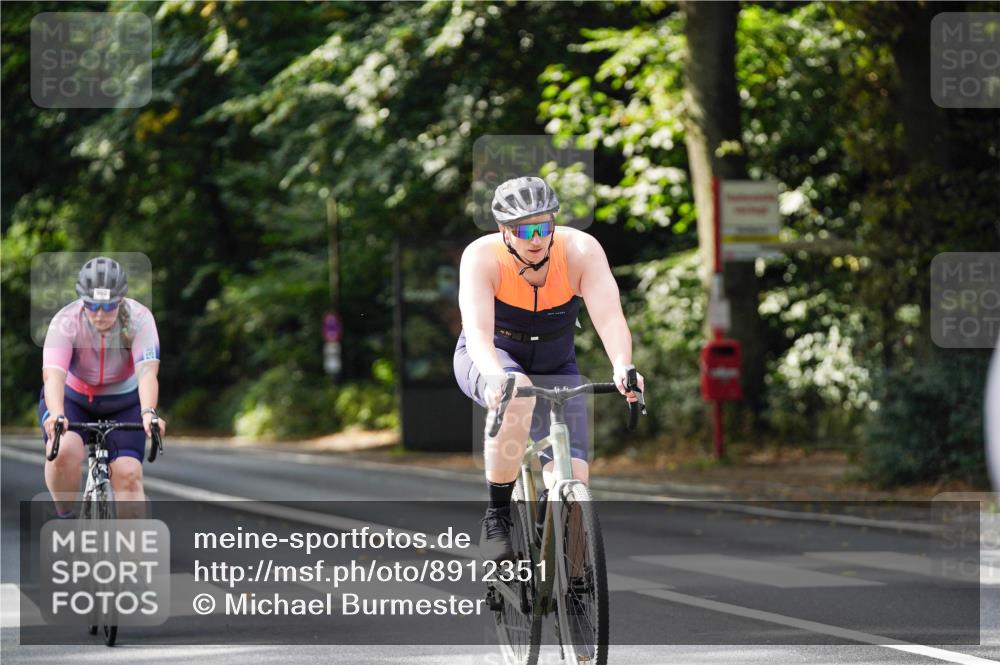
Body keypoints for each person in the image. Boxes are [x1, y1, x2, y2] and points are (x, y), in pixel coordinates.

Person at [453, 176, 644, 564]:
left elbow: (609, 318)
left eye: (543, 226)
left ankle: (575, 586)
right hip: (493, 355)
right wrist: (495, 376)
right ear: (504, 231)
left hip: (556, 361)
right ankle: (498, 516)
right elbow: (477, 335)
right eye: (524, 230)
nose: (536, 239)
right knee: (517, 396)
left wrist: (624, 364)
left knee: (572, 477)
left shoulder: (581, 250)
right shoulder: (481, 257)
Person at [39, 257, 165, 518]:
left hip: (124, 403)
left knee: (128, 475)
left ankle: (131, 554)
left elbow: (147, 372)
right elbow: (53, 377)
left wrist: (148, 412)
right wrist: (56, 414)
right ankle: (65, 516)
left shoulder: (139, 319)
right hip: (73, 400)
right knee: (62, 452)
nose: (99, 313)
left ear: (120, 300)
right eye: (92, 305)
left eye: (108, 306)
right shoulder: (65, 322)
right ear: (82, 301)